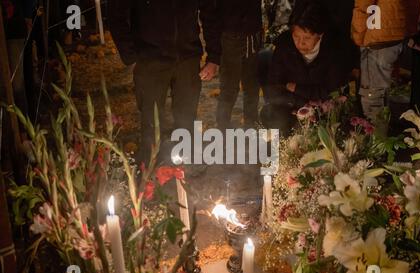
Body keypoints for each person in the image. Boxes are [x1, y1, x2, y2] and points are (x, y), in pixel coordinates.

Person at [108, 0, 221, 164]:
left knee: (187, 117)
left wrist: (214, 57)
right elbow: (115, 13)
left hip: (187, 58)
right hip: (150, 59)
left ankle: (186, 169)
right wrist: (130, 55)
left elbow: (210, 12)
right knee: (150, 121)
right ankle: (150, 174)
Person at [262, 3, 350, 136]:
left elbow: (331, 90)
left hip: (323, 107)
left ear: (320, 35)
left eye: (307, 38)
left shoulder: (334, 49)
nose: (300, 43)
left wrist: (296, 88)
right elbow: (274, 86)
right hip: (293, 105)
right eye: (296, 37)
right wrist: (302, 104)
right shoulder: (285, 46)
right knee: (270, 113)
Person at [351, 0, 420, 133]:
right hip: (394, 30)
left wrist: (358, 36)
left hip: (377, 35)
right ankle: (382, 135)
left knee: (372, 94)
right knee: (382, 92)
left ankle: (377, 142)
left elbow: (363, 4)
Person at [215, 0, 263, 130]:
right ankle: (223, 126)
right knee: (229, 86)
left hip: (252, 34)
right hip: (231, 34)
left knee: (252, 84)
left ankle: (251, 123)